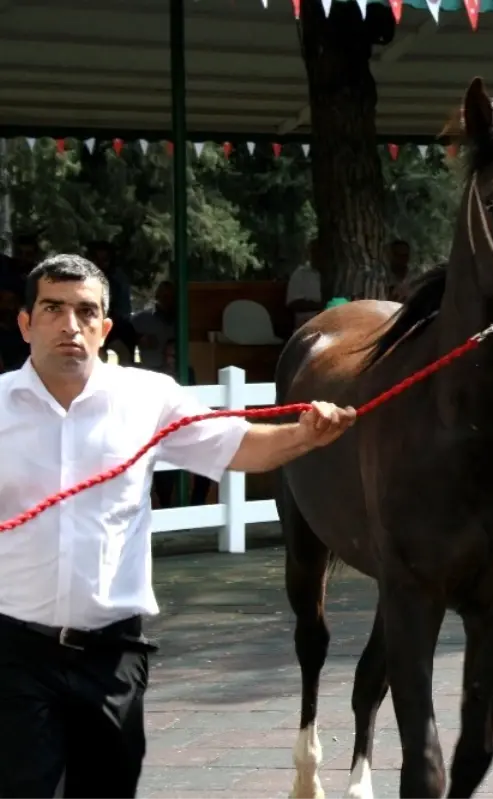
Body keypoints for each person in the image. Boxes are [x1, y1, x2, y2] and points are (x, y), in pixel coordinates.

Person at [0, 254, 357, 799]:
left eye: (86, 311)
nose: (70, 325)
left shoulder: (148, 398)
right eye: (53, 309)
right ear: (26, 323)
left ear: (105, 328)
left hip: (112, 656)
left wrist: (306, 435)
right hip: (15, 656)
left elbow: (239, 446)